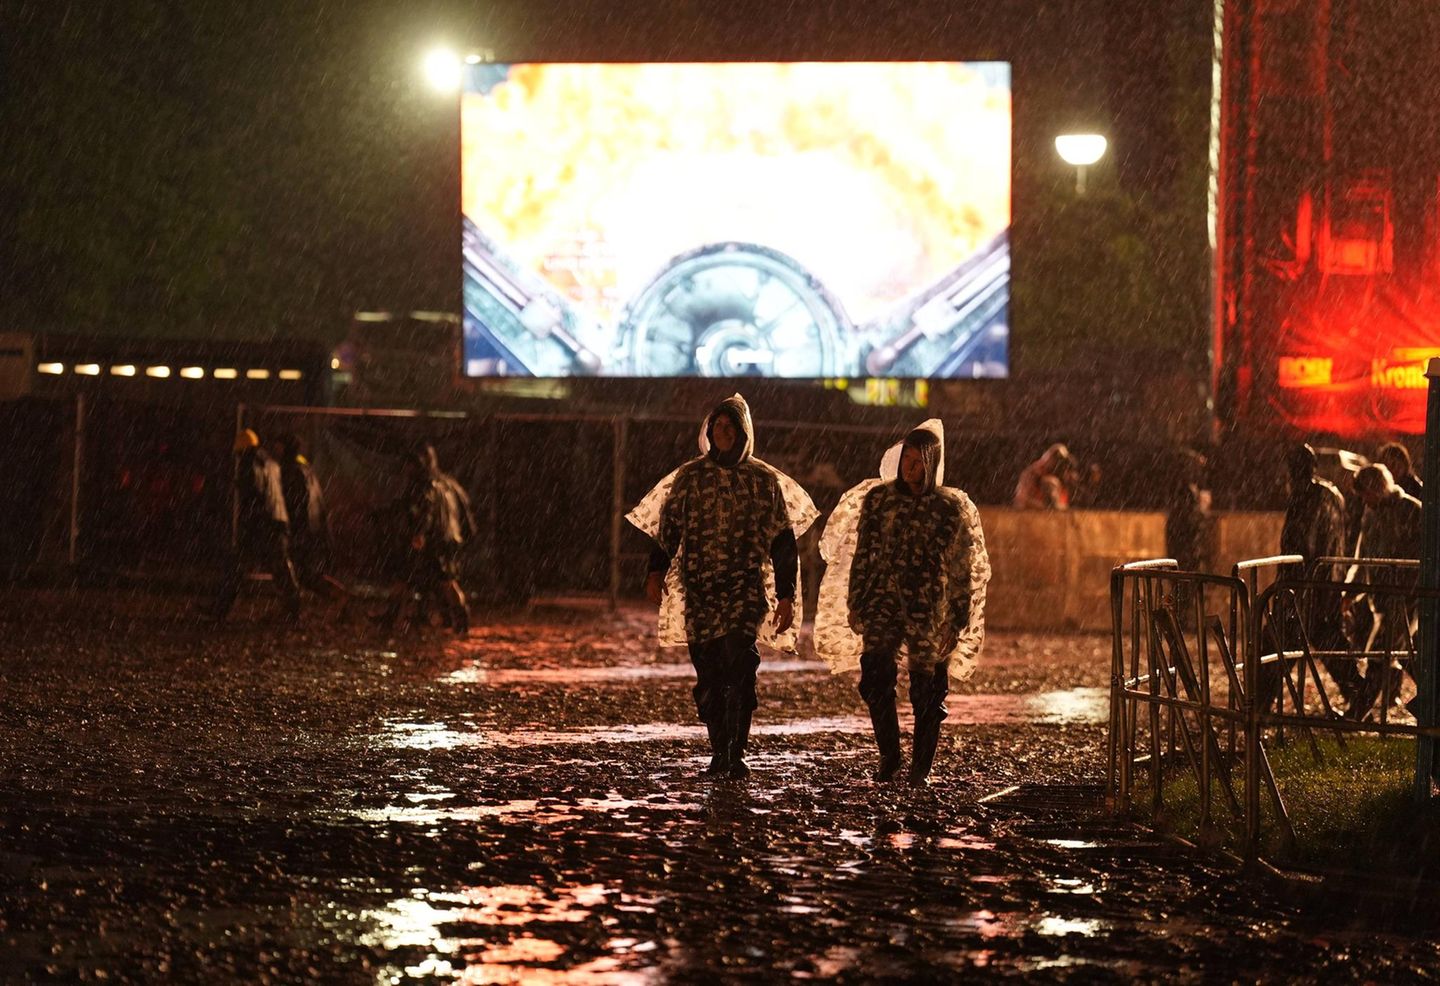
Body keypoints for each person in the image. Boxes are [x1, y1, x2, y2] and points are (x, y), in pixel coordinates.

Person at [626, 395, 818, 780]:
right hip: (700, 592)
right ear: (709, 432)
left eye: (731, 427)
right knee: (710, 677)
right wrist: (655, 572)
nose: (724, 433)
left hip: (745, 591)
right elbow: (669, 531)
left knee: (740, 667)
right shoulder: (690, 479)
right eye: (718, 426)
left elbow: (782, 542)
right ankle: (719, 748)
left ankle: (735, 751)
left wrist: (785, 595)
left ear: (744, 433)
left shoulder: (763, 482)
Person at [814, 420, 990, 786]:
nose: (911, 468)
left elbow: (962, 569)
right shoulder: (879, 500)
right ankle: (890, 757)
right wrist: (857, 600)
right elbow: (864, 554)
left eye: (918, 461)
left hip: (930, 610)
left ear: (932, 464)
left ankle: (920, 769)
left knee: (928, 692)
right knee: (876, 678)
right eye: (906, 459)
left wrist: (957, 621)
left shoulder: (949, 508)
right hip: (882, 604)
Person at [1276, 443, 1357, 709]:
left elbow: (1301, 544)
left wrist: (1290, 582)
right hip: (1327, 582)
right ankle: (1357, 689)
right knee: (1325, 640)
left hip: (1308, 584)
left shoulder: (1307, 497)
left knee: (1285, 642)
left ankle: (1259, 700)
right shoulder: (1330, 494)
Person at [1345, 464, 1423, 720]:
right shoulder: (1373, 513)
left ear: (1377, 488)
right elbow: (1363, 556)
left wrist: (1408, 586)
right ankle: (1431, 696)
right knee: (1401, 653)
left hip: (1403, 598)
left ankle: (1357, 713)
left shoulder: (1410, 511)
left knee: (1382, 653)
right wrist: (1351, 591)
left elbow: (1420, 556)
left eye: (1366, 494)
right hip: (1385, 598)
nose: (1364, 501)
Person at [212, 428, 301, 622]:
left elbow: (254, 491)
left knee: (238, 566)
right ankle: (293, 609)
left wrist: (240, 488)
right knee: (281, 568)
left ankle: (220, 608)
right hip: (278, 519)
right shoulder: (271, 462)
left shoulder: (249, 462)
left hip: (262, 523)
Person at [274, 434, 351, 617]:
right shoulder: (305, 468)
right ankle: (337, 595)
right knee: (300, 571)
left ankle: (337, 595)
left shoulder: (291, 470)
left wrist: (294, 528)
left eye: (278, 446)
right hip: (313, 527)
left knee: (298, 571)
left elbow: (297, 502)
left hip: (304, 528)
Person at [1013, 443, 1073, 509]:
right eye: (1058, 461)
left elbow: (1063, 503)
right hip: (1031, 514)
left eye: (1062, 462)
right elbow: (1021, 499)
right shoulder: (1033, 473)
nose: (1061, 465)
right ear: (1050, 459)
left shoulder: (1061, 474)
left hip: (1051, 513)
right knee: (1049, 482)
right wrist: (1046, 508)